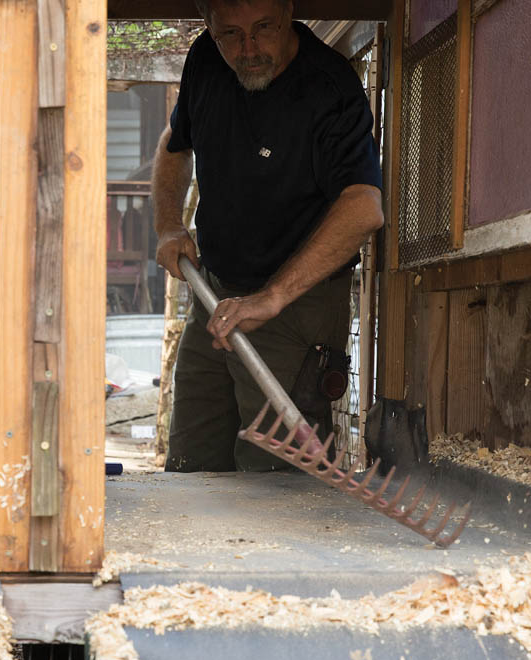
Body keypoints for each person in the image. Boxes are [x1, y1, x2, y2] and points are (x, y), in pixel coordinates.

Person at [152, 0, 384, 472]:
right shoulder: (205, 60)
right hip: (214, 294)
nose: (249, 48)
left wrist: (272, 297)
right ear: (209, 28)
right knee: (190, 463)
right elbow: (173, 146)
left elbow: (364, 206)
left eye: (263, 29)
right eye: (231, 35)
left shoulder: (330, 88)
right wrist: (168, 225)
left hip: (295, 304)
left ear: (288, 13)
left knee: (276, 482)